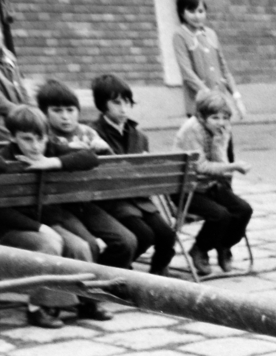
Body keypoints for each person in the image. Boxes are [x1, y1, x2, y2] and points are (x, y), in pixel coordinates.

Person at [0, 105, 108, 327]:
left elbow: (90, 157)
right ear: (12, 137)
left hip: (43, 221)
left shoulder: (49, 149)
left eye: (40, 139)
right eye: (27, 139)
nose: (36, 146)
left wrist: (53, 161)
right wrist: (38, 227)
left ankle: (87, 300)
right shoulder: (3, 160)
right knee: (49, 244)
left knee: (80, 246)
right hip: (10, 227)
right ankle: (38, 307)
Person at [33, 78, 139, 271]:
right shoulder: (41, 136)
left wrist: (105, 150)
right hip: (57, 207)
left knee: (127, 241)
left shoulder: (87, 132)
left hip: (86, 203)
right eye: (57, 111)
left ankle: (104, 281)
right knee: (89, 245)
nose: (65, 117)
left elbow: (112, 170)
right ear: (44, 113)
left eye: (70, 110)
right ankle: (86, 292)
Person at [89, 73, 178, 277]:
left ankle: (155, 276)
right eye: (116, 103)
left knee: (167, 235)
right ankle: (110, 270)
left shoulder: (139, 136)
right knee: (144, 235)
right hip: (112, 201)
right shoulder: (93, 133)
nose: (123, 109)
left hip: (140, 199)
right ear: (102, 104)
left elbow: (147, 171)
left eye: (127, 102)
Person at [175, 91, 252, 278]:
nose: (221, 122)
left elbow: (221, 164)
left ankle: (224, 246)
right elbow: (200, 166)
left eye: (225, 117)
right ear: (201, 116)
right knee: (221, 215)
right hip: (187, 188)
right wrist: (233, 166)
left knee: (243, 210)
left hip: (209, 185)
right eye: (215, 117)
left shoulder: (221, 129)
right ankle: (200, 249)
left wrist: (220, 143)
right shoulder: (192, 130)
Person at [171, 0, 245, 122]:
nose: (197, 16)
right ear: (182, 13)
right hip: (200, 106)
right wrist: (207, 94)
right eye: (191, 11)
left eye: (200, 11)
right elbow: (187, 72)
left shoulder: (211, 34)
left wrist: (236, 97)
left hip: (220, 104)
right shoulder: (180, 35)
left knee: (225, 140)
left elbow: (223, 68)